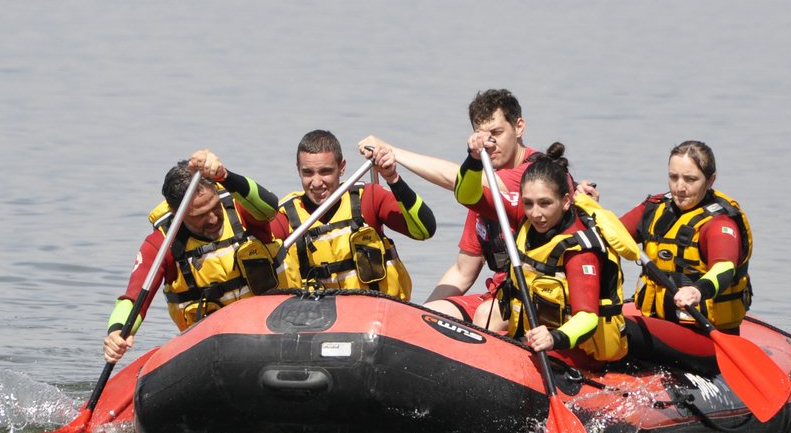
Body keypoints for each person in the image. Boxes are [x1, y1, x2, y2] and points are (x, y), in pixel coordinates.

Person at [361, 88, 544, 326]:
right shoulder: (479, 196)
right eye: (481, 136)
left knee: (487, 315)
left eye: (497, 133)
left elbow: (457, 179)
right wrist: (413, 318)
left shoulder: (537, 175)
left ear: (519, 127)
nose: (489, 144)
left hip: (539, 297)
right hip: (500, 293)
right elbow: (462, 271)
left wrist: (392, 151)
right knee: (427, 316)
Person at [102, 148, 280, 365]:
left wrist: (225, 176)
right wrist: (117, 331)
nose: (214, 219)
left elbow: (270, 207)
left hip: (273, 332)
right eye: (200, 215)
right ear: (176, 213)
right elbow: (134, 297)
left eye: (215, 207)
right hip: (213, 350)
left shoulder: (243, 211)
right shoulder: (160, 244)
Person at [476, 144, 628, 366]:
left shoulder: (579, 251)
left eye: (545, 203)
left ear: (566, 201)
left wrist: (553, 338)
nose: (535, 213)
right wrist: (472, 161)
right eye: (528, 203)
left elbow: (587, 318)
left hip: (577, 347)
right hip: (534, 332)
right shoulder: (528, 218)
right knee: (484, 312)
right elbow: (467, 196)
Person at [617, 140, 753, 374]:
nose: (680, 187)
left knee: (619, 329)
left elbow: (724, 269)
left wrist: (698, 290)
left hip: (707, 340)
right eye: (674, 177)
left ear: (710, 181)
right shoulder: (654, 209)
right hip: (663, 326)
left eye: (690, 179)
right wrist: (590, 207)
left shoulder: (719, 224)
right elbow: (610, 236)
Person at [271, 129, 436, 300]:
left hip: (375, 314)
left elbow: (424, 230)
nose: (317, 182)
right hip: (317, 319)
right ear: (298, 170)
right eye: (308, 173)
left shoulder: (369, 199)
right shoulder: (284, 217)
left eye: (325, 171)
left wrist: (392, 178)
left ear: (342, 168)